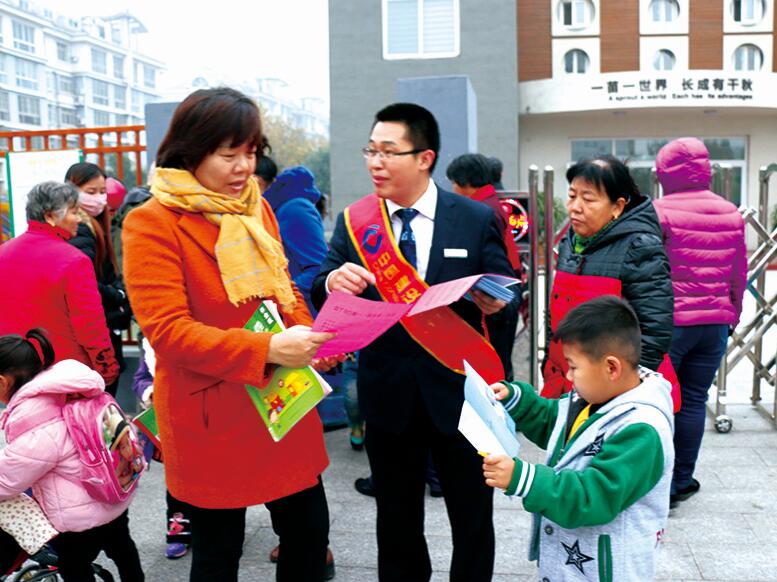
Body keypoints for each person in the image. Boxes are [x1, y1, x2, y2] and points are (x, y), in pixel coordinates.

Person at [122, 87, 336, 582]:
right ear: (191, 151)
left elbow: (282, 288)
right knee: (218, 554)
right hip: (212, 412)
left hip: (282, 400)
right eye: (229, 154)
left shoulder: (255, 208)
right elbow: (169, 332)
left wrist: (306, 334)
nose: (244, 167)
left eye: (252, 152)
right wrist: (269, 348)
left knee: (309, 536)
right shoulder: (151, 223)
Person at [311, 102, 515, 581]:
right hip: (388, 394)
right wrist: (331, 281)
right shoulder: (356, 221)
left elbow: (506, 286)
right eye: (370, 151)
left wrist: (499, 302)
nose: (375, 162)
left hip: (461, 392)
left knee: (472, 517)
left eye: (388, 151)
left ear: (424, 158)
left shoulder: (473, 217)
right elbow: (321, 281)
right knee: (396, 520)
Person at [483, 296, 674, 580]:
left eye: (573, 367)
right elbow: (555, 423)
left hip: (607, 571)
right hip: (572, 563)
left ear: (611, 368)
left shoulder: (641, 430)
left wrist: (524, 478)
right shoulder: (592, 397)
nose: (569, 377)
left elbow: (593, 496)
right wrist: (517, 401)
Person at [0, 329, 144, 581]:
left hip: (79, 517)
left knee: (74, 566)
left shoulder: (35, 416)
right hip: (114, 493)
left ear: (2, 382)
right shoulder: (70, 387)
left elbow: (9, 479)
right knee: (123, 547)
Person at [653, 137, 747, 507]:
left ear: (665, 172)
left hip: (669, 325)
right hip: (714, 324)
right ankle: (681, 481)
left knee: (658, 402)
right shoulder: (730, 212)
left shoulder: (658, 212)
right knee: (694, 400)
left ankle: (656, 484)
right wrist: (732, 315)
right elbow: (738, 273)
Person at [543, 155, 678, 410]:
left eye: (588, 199)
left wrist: (623, 394)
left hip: (613, 393)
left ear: (617, 206)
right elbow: (556, 313)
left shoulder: (638, 246)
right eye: (572, 196)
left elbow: (654, 332)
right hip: (569, 382)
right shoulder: (571, 242)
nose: (575, 207)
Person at [0, 181, 118, 385]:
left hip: (14, 372)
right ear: (50, 216)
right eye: (74, 212)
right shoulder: (74, 260)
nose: (79, 219)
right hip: (64, 373)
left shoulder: (4, 253)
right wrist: (106, 369)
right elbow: (90, 326)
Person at [446, 153, 523, 380]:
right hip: (506, 284)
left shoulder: (482, 211)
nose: (453, 190)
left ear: (466, 182)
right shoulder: (491, 203)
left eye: (454, 183)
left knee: (495, 363)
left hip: (497, 291)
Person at [65, 163, 131, 396]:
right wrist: (118, 295)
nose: (99, 198)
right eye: (91, 192)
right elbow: (84, 280)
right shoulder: (81, 229)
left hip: (104, 320)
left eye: (102, 191)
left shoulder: (95, 225)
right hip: (97, 326)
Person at [260, 164, 329, 314]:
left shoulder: (295, 208)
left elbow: (319, 267)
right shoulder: (279, 208)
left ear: (258, 180)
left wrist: (279, 298)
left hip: (301, 311)